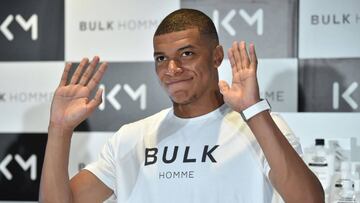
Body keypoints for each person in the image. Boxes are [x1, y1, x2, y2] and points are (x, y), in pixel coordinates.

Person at [39, 8, 324, 203]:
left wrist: (253, 111)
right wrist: (59, 130)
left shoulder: (257, 127)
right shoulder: (131, 137)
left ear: (216, 56)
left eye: (186, 54)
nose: (172, 68)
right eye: (161, 58)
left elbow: (309, 200)